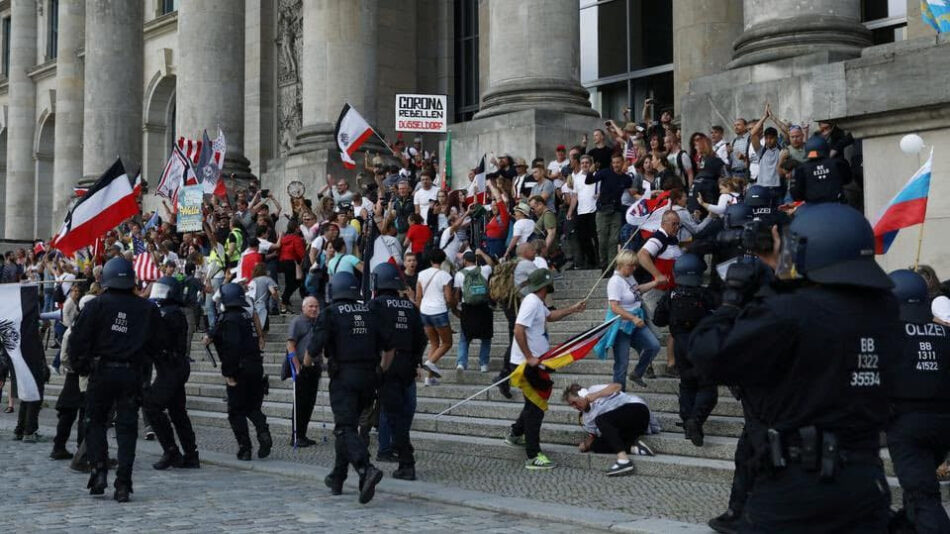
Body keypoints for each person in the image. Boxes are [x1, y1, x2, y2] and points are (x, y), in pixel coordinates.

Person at [689, 203, 901, 532]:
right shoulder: (885, 309)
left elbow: (707, 354)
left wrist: (733, 299)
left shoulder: (790, 312)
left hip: (797, 486)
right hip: (865, 480)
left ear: (803, 249)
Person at [69, 257, 166, 502]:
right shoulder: (147, 308)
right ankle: (123, 483)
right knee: (126, 429)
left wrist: (82, 366)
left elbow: (78, 340)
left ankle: (99, 470)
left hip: (101, 372)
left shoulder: (96, 305)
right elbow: (160, 343)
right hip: (132, 374)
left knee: (96, 423)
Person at [306, 271, 392, 503]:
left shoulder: (331, 313)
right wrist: (381, 371)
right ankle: (338, 477)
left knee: (345, 428)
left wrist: (307, 362)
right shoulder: (370, 312)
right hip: (369, 378)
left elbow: (314, 347)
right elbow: (389, 347)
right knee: (348, 428)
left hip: (344, 377)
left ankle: (366, 469)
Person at [883, 269, 950, 533]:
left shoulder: (889, 336)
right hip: (943, 424)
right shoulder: (944, 333)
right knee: (915, 500)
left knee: (923, 500)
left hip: (906, 427)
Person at [504, 268, 586, 470]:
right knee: (536, 408)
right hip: (527, 364)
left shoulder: (538, 302)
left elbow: (550, 316)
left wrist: (573, 309)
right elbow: (518, 329)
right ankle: (533, 455)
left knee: (533, 403)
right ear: (545, 286)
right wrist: (529, 357)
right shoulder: (532, 302)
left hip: (536, 362)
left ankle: (516, 434)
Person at [652, 254, 718, 447]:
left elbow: (658, 320)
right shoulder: (706, 294)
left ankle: (687, 419)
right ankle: (695, 422)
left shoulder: (671, 294)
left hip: (680, 344)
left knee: (687, 384)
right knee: (708, 387)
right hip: (703, 344)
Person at [370, 263, 426, 480]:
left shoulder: (376, 305)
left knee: (393, 416)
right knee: (403, 412)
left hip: (387, 365)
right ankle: (402, 457)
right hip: (407, 366)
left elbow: (371, 337)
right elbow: (420, 338)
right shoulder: (409, 306)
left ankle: (406, 461)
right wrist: (415, 362)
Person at [206, 283, 272, 462]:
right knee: (252, 407)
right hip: (255, 367)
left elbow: (231, 348)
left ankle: (245, 448)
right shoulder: (245, 315)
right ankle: (263, 431)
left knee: (236, 411)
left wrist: (228, 373)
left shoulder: (229, 319)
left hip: (240, 370)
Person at [143, 276, 199, 470]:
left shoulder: (169, 314)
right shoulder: (170, 312)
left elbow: (160, 340)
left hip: (171, 366)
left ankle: (171, 450)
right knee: (177, 412)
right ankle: (191, 454)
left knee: (151, 405)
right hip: (173, 366)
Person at [563, 382, 655, 476]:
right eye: (571, 405)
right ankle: (633, 448)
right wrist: (586, 444)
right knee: (595, 445)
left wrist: (596, 395)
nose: (575, 407)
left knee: (601, 419)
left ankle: (623, 460)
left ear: (582, 394)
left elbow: (618, 386)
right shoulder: (585, 419)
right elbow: (596, 435)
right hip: (627, 429)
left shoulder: (593, 389)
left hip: (637, 411)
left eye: (574, 402)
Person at [605, 250, 662, 389]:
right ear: (622, 264)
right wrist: (632, 318)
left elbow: (637, 290)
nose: (634, 268)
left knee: (653, 346)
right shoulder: (615, 282)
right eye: (631, 265)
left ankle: (637, 373)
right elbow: (614, 307)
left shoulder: (629, 276)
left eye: (635, 265)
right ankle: (619, 396)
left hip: (635, 323)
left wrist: (655, 283)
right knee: (622, 364)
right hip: (621, 326)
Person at [586, 154, 634, 271]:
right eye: (614, 163)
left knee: (613, 240)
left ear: (623, 163)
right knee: (602, 240)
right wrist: (590, 171)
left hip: (616, 211)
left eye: (618, 162)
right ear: (611, 164)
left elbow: (632, 187)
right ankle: (603, 264)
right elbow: (589, 181)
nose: (616, 165)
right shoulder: (605, 173)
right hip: (602, 211)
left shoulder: (626, 179)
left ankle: (611, 267)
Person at [415, 249, 455, 385]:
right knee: (447, 343)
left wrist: (419, 310)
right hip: (439, 311)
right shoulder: (445, 275)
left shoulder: (421, 274)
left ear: (430, 260)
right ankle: (430, 362)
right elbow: (449, 298)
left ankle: (429, 378)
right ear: (443, 260)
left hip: (424, 312)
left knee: (434, 343)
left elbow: (418, 296)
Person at [286, 296, 321, 448]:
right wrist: (297, 367)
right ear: (303, 308)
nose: (314, 309)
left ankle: (303, 434)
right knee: (300, 402)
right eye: (311, 306)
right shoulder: (297, 322)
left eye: (316, 306)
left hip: (314, 367)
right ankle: (296, 435)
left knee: (310, 402)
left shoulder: (318, 323)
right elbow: (290, 345)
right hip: (301, 366)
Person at [453, 250, 495, 373]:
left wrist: (455, 308)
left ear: (465, 261)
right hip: (484, 307)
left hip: (468, 308)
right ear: (475, 260)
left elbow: (457, 293)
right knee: (486, 337)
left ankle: (461, 363)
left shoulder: (460, 274)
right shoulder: (484, 270)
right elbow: (491, 263)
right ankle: (483, 364)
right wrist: (482, 253)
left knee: (464, 337)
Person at [789, 135, 852, 204]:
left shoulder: (801, 169)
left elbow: (796, 195)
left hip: (813, 208)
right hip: (837, 205)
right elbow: (848, 180)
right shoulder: (838, 163)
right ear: (826, 148)